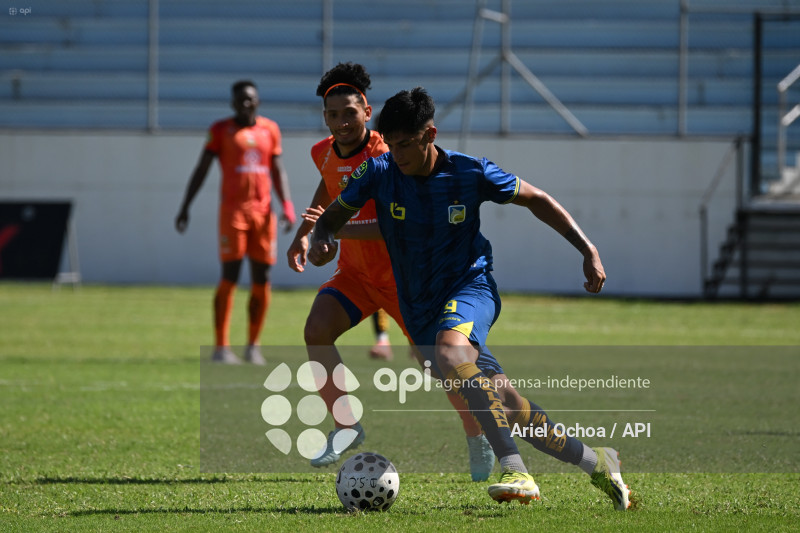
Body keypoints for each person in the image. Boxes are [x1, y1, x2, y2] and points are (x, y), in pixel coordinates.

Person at [308, 87, 631, 510]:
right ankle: (597, 461)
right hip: (419, 309)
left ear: (430, 135)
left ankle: (515, 469)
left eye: (406, 144)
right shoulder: (379, 171)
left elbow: (536, 200)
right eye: (393, 143)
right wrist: (321, 239)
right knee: (508, 405)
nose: (397, 154)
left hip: (470, 287)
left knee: (450, 352)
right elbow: (331, 217)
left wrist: (587, 249)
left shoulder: (470, 171)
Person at [287, 64, 494, 479]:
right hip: (356, 275)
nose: (342, 122)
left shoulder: (388, 154)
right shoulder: (322, 151)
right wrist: (306, 233)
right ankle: (345, 425)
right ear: (324, 118)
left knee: (434, 364)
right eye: (333, 115)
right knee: (316, 330)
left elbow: (398, 223)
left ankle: (478, 435)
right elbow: (330, 187)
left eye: (350, 112)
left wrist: (337, 229)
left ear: (367, 111)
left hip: (404, 280)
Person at [176, 80, 296, 365]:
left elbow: (277, 169)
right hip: (233, 214)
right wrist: (185, 206)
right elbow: (201, 168)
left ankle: (253, 346)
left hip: (263, 215)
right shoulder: (220, 130)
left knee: (262, 279)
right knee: (229, 277)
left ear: (258, 101)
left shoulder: (270, 129)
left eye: (250, 99)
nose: (245, 103)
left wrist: (287, 205)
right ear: (232, 103)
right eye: (240, 99)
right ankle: (221, 347)